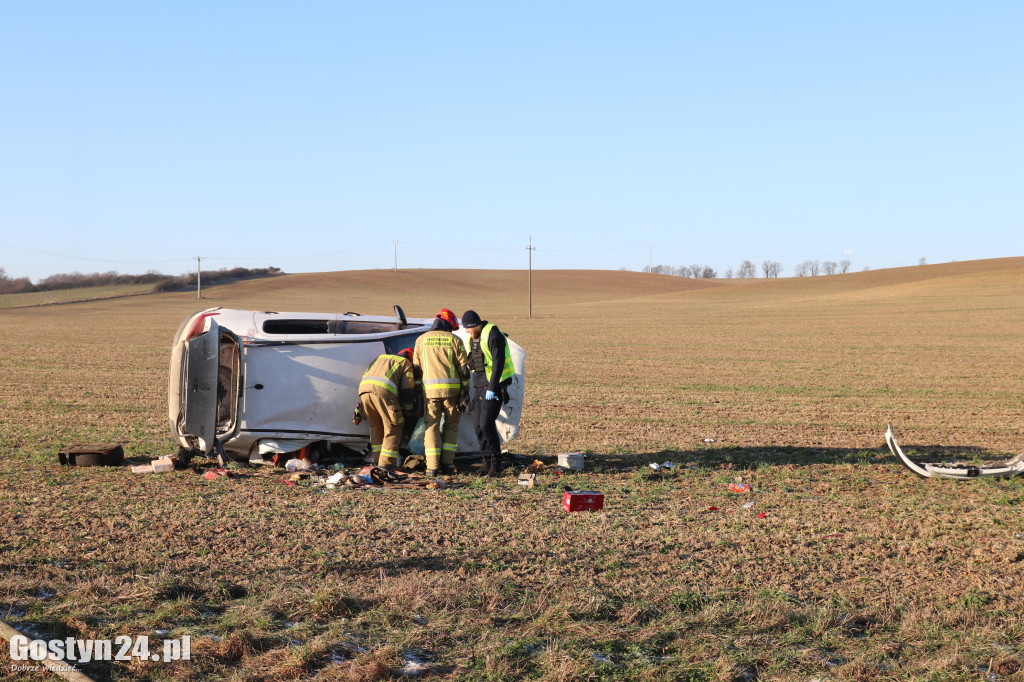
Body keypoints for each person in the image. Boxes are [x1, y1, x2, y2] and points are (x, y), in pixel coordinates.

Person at [413, 308, 469, 476]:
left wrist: (417, 389)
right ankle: (448, 465)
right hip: (452, 392)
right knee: (452, 426)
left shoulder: (421, 340)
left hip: (430, 394)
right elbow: (465, 370)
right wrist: (465, 390)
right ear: (448, 325)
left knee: (431, 427)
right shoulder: (455, 340)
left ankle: (432, 467)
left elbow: (416, 370)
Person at [461, 310, 515, 476]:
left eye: (467, 328)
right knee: (478, 426)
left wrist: (493, 387)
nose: (466, 332)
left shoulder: (492, 333)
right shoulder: (475, 338)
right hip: (479, 386)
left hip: (493, 386)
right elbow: (478, 360)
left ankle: (495, 464)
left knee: (486, 424)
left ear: (473, 325)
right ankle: (485, 462)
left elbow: (498, 362)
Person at [357, 348, 417, 469]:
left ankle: (378, 461)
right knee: (394, 426)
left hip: (363, 391)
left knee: (375, 426)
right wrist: (408, 410)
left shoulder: (380, 358)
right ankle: (387, 465)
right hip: (383, 392)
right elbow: (407, 392)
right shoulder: (405, 363)